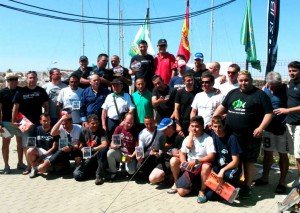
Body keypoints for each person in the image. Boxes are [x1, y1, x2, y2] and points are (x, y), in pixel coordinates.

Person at [213, 70, 273, 198]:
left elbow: (269, 113)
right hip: (231, 136)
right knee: (234, 161)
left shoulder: (260, 95)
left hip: (251, 137)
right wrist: (214, 119)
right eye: (241, 80)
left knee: (248, 162)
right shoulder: (232, 93)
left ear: (251, 80)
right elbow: (222, 108)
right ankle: (235, 184)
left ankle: (247, 187)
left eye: (246, 80)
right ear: (238, 81)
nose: (243, 83)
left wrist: (261, 128)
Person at [253, 72, 290, 194]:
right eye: (271, 85)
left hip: (282, 128)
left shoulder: (286, 89)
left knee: (282, 155)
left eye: (275, 85)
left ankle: (282, 182)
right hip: (268, 127)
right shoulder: (265, 89)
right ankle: (265, 177)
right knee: (267, 153)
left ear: (280, 83)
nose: (272, 88)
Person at [169, 116, 215, 204]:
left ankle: (202, 191)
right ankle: (183, 184)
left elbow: (211, 156)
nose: (194, 129)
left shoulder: (208, 139)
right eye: (192, 126)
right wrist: (183, 162)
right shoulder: (187, 139)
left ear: (202, 127)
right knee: (181, 192)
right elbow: (182, 153)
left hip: (202, 168)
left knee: (206, 165)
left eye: (197, 126)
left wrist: (196, 161)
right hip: (190, 169)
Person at [12, 71, 50, 174]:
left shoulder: (41, 91)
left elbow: (46, 105)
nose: (31, 80)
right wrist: (14, 120)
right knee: (26, 145)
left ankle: (38, 165)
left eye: (33, 78)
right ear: (26, 79)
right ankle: (30, 167)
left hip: (38, 124)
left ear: (37, 79)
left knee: (38, 144)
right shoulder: (21, 92)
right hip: (25, 124)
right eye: (30, 78)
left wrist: (46, 117)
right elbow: (15, 107)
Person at [273, 61, 300, 182]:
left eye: (294, 70)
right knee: (294, 155)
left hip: (299, 124)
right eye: (290, 70)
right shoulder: (290, 83)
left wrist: (287, 110)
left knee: (299, 157)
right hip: (290, 124)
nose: (291, 73)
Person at [206, 115, 241, 201]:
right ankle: (226, 193)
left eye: (220, 126)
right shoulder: (211, 133)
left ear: (224, 126)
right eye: (215, 126)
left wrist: (223, 170)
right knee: (209, 196)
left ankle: (235, 187)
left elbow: (235, 161)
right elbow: (195, 129)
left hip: (230, 168)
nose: (217, 129)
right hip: (217, 168)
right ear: (212, 126)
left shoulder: (232, 138)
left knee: (229, 176)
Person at [0, 73, 26, 174]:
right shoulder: (2, 92)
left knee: (20, 143)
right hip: (6, 123)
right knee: (5, 144)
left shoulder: (21, 91)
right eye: (11, 79)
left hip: (20, 122)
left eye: (15, 79)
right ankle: (6, 166)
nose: (14, 81)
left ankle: (20, 163)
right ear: (7, 80)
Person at [73, 114, 108, 185]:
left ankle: (99, 175)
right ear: (88, 124)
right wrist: (82, 148)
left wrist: (93, 149)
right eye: (92, 123)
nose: (95, 125)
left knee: (102, 150)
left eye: (96, 123)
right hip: (88, 157)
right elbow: (81, 144)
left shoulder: (101, 131)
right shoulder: (84, 131)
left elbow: (104, 144)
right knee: (77, 175)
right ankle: (91, 172)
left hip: (98, 156)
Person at [148, 118, 184, 185]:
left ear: (170, 127)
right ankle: (168, 177)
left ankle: (176, 180)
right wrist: (156, 154)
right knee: (152, 179)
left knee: (173, 160)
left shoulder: (179, 138)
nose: (162, 131)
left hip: (175, 162)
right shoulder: (162, 138)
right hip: (165, 161)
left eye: (164, 129)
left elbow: (183, 155)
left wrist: (171, 154)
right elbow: (160, 152)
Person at [107, 113, 139, 181]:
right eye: (127, 122)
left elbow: (138, 148)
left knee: (131, 171)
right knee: (110, 153)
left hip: (130, 155)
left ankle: (126, 166)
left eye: (131, 123)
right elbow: (112, 143)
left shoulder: (135, 130)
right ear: (124, 120)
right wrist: (113, 146)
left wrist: (132, 157)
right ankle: (113, 172)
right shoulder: (119, 128)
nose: (129, 125)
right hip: (121, 154)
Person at [26, 113, 59, 178]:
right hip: (40, 150)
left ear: (50, 120)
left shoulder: (54, 130)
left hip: (50, 152)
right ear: (40, 121)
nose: (46, 122)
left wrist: (42, 157)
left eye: (48, 120)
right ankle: (34, 168)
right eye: (44, 121)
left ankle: (49, 167)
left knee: (42, 169)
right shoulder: (36, 129)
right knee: (29, 151)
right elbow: (31, 144)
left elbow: (54, 147)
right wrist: (30, 144)